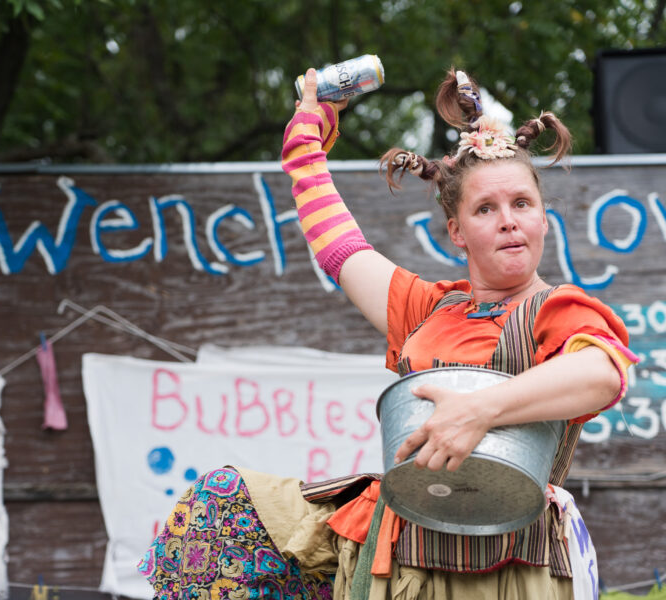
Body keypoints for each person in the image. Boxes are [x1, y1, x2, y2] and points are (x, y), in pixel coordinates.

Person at [138, 67, 637, 600]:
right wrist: (305, 146)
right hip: (402, 541)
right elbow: (340, 248)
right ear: (457, 233)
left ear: (542, 219)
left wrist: (479, 410)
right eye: (485, 209)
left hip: (506, 559)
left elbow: (604, 372)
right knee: (224, 504)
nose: (508, 221)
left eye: (522, 204)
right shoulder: (427, 306)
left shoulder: (554, 308)